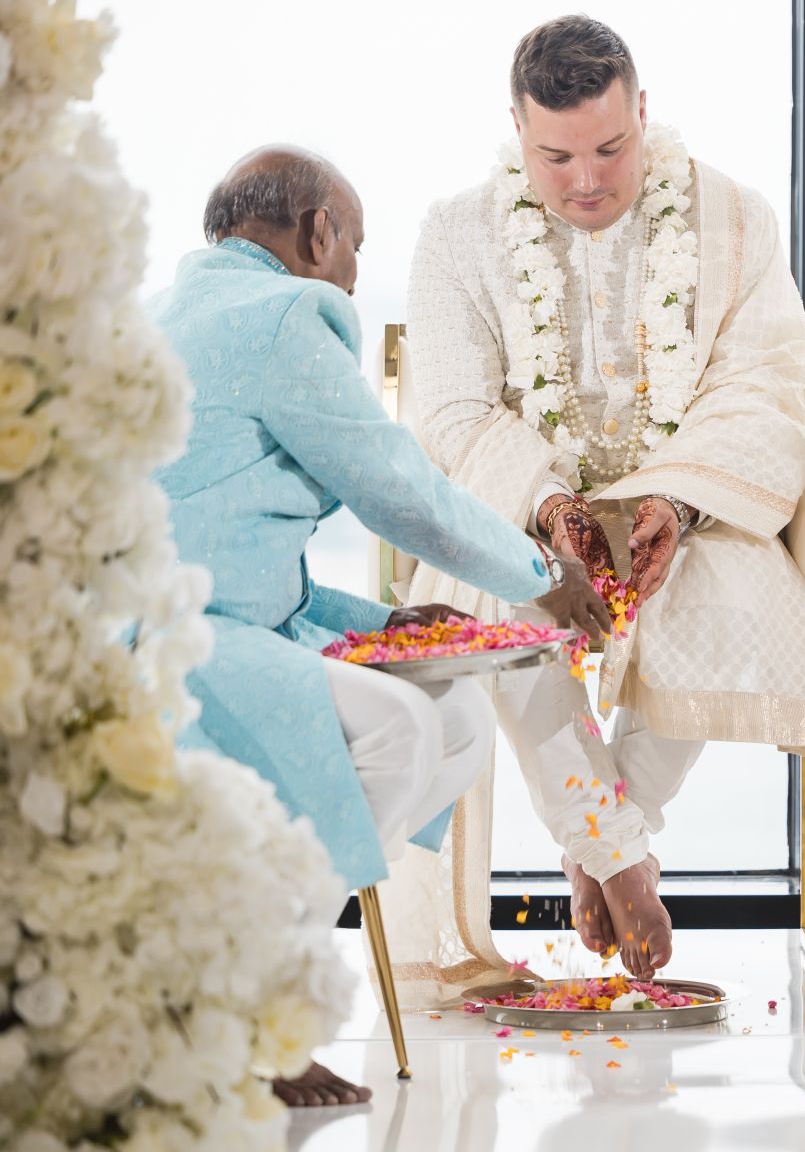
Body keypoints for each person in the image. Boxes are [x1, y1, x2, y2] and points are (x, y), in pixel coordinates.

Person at [393, 14, 805, 996]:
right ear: (515, 130)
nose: (586, 181)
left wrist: (674, 502)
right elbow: (457, 411)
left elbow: (763, 383)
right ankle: (621, 854)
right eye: (555, 157)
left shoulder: (732, 215)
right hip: (514, 510)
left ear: (645, 111)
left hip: (684, 504)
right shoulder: (456, 232)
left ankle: (598, 844)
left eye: (610, 147)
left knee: (724, 603)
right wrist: (551, 512)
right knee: (504, 607)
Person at [154, 146, 607, 1106]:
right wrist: (541, 578)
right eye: (355, 243)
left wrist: (386, 619)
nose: (357, 270)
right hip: (179, 643)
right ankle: (241, 1010)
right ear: (318, 233)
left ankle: (243, 961)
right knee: (399, 726)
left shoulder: (178, 307)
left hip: (216, 626)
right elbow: (399, 492)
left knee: (460, 721)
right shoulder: (284, 315)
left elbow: (243, 542)